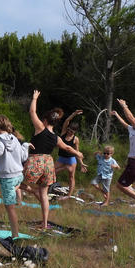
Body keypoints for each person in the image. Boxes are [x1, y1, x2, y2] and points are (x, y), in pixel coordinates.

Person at [21, 91, 84, 229]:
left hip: (36, 161)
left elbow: (32, 111)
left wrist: (34, 98)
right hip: (48, 163)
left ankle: (31, 191)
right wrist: (78, 153)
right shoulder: (56, 138)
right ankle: (44, 224)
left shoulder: (40, 128)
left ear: (45, 120)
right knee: (44, 194)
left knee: (14, 181)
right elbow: (67, 148)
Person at [54, 109, 88, 198]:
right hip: (61, 158)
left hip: (71, 159)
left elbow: (77, 152)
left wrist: (81, 164)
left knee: (71, 177)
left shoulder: (76, 139)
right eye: (69, 130)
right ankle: (64, 167)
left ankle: (68, 196)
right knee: (52, 172)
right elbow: (67, 121)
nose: (69, 132)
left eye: (72, 131)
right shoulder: (64, 132)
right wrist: (74, 113)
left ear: (75, 132)